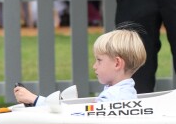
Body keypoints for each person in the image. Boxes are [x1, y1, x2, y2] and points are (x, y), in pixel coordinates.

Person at [13, 27, 145, 106]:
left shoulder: (114, 98)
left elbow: (75, 114)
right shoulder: (121, 93)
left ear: (117, 63)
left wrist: (35, 100)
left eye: (99, 60)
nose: (94, 66)